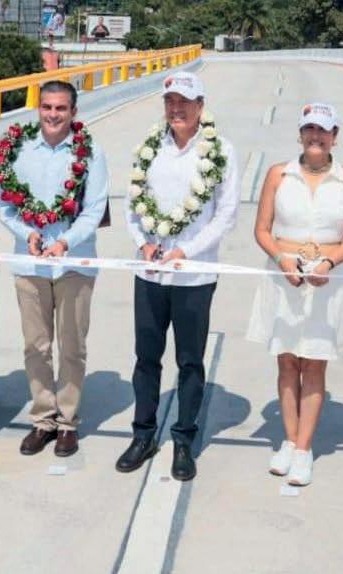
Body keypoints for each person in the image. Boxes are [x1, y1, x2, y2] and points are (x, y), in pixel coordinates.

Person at [116, 72, 241, 481]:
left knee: (189, 361)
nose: (176, 109)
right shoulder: (151, 148)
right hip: (151, 272)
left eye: (185, 102)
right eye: (170, 101)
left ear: (200, 106)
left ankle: (184, 439)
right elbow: (132, 205)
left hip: (193, 276)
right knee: (146, 357)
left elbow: (226, 214)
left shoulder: (221, 151)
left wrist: (186, 250)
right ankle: (143, 434)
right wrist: (143, 244)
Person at [246, 103, 343, 486]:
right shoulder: (278, 174)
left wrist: (328, 264)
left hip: (328, 278)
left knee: (314, 363)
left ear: (335, 136)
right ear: (300, 134)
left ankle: (303, 449)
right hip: (284, 274)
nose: (316, 137)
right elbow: (262, 229)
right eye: (309, 129)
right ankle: (288, 439)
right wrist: (282, 259)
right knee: (286, 361)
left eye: (323, 130)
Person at [0, 80, 109, 458]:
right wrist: (27, 234)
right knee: (36, 346)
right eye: (47, 107)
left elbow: (94, 209)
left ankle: (67, 423)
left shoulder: (90, 152)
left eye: (61, 108)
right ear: (38, 108)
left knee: (72, 346)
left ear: (74, 112)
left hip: (74, 261)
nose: (53, 115)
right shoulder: (17, 149)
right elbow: (4, 204)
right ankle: (43, 419)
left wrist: (65, 242)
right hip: (30, 263)